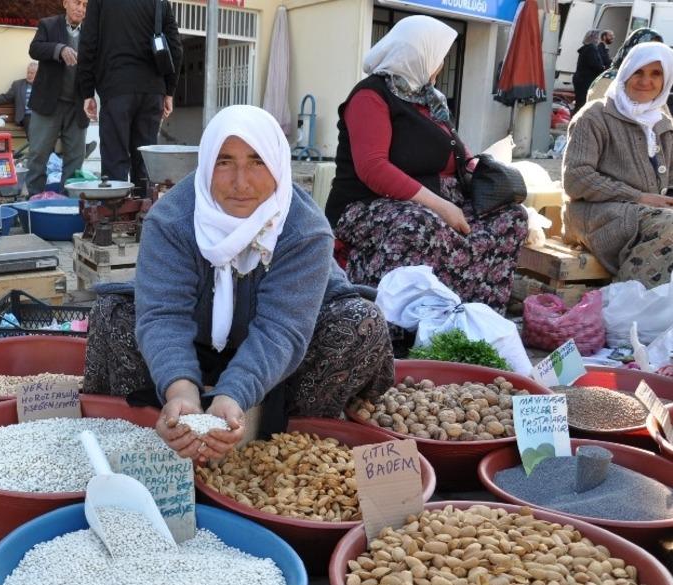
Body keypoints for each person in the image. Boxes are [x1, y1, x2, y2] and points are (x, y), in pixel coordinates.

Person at [83, 105, 395, 461]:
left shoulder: (304, 230)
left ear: (277, 163)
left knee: (361, 323)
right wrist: (180, 390)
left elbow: (282, 329)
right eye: (224, 162)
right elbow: (163, 316)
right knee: (111, 313)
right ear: (206, 164)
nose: (241, 182)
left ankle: (284, 441)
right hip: (196, 344)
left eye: (257, 162)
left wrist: (233, 395)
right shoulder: (172, 220)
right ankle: (157, 435)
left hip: (280, 362)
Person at [324, 16, 528, 313]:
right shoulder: (371, 96)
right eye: (438, 57)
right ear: (417, 55)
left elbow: (457, 151)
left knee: (511, 217)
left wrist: (484, 178)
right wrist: (442, 207)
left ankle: (472, 316)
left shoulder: (429, 99)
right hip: (367, 203)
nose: (440, 65)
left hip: (440, 198)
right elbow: (373, 168)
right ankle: (394, 322)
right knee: (418, 225)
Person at [563, 42, 673, 289]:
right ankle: (623, 298)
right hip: (595, 215)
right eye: (638, 72)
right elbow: (575, 178)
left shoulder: (662, 124)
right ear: (625, 72)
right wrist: (638, 197)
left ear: (666, 80)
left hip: (649, 214)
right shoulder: (595, 116)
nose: (645, 81)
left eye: (656, 74)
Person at [76, 0, 182, 193]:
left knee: (114, 158)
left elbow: (88, 44)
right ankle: (144, 208)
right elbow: (175, 48)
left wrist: (87, 92)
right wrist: (169, 92)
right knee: (144, 161)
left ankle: (115, 207)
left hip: (116, 87)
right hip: (152, 89)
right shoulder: (160, 2)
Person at [24, 0, 91, 196]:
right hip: (48, 103)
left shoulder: (92, 32)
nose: (80, 8)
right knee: (38, 155)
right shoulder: (49, 24)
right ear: (65, 3)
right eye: (77, 2)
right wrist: (59, 49)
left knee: (76, 158)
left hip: (77, 106)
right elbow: (34, 49)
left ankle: (68, 202)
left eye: (85, 5)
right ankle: (33, 199)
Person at [588, 28, 665, 104]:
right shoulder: (610, 79)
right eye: (647, 49)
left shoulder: (656, 82)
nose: (653, 55)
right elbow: (597, 108)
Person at [0, 62, 36, 139]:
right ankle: (35, 145)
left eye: (32, 73)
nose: (29, 75)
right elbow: (5, 98)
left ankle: (41, 146)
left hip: (40, 115)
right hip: (27, 116)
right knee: (32, 122)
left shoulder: (43, 85)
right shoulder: (18, 85)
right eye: (28, 72)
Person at [574, 30, 611, 113]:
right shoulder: (591, 49)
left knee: (579, 103)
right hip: (586, 80)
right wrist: (604, 68)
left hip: (580, 79)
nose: (599, 40)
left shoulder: (586, 48)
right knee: (582, 105)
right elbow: (595, 65)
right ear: (594, 38)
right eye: (598, 37)